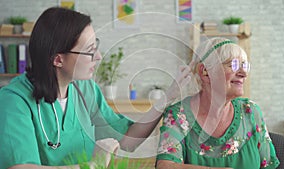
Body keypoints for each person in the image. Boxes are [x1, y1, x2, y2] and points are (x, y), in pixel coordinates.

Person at [0, 7, 193, 169]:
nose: (99, 56)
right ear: (58, 59)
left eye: (96, 46)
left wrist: (168, 96)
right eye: (90, 50)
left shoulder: (85, 90)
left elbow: (129, 140)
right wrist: (92, 165)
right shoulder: (14, 101)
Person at [156, 37, 280, 169]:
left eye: (244, 66)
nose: (243, 73)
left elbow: (269, 166)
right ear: (205, 72)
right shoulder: (178, 115)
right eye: (234, 65)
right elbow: (166, 166)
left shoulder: (250, 111)